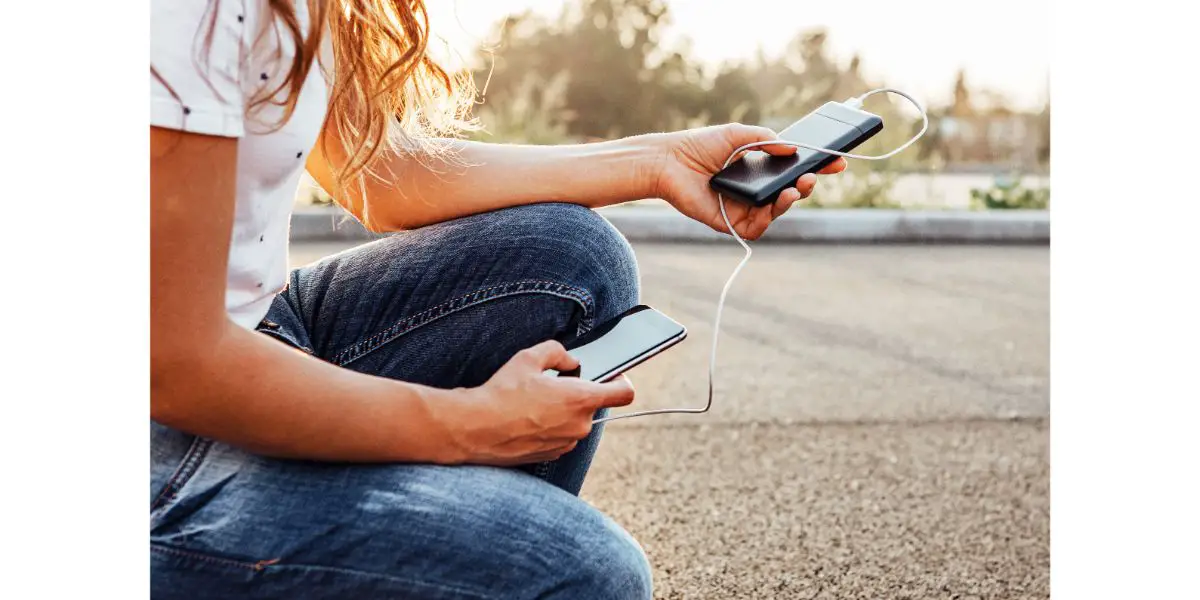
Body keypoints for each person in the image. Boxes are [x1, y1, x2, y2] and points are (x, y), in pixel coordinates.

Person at [149, 1, 847, 597]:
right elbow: (172, 361)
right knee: (581, 571)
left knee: (572, 258)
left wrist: (657, 162)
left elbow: (383, 174)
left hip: (257, 328)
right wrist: (469, 425)